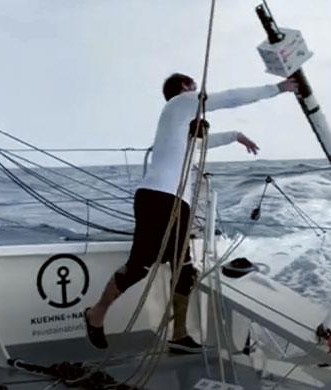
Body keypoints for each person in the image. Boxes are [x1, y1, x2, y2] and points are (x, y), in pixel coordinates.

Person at [84, 73, 298, 353]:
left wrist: (235, 136)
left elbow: (204, 143)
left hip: (177, 203)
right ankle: (96, 314)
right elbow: (230, 97)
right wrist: (279, 88)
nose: (198, 89)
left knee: (184, 270)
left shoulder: (183, 130)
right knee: (140, 265)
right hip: (157, 196)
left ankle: (179, 334)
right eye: (194, 85)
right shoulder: (179, 104)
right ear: (185, 87)